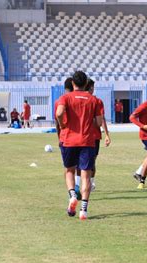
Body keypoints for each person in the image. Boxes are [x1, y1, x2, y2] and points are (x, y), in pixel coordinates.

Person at [55, 71, 103, 220]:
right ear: (86, 84)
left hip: (69, 140)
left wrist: (63, 124)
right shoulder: (94, 100)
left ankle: (72, 195)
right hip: (87, 141)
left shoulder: (65, 97)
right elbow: (99, 122)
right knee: (86, 175)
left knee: (69, 170)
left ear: (73, 83)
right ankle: (84, 210)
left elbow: (59, 113)